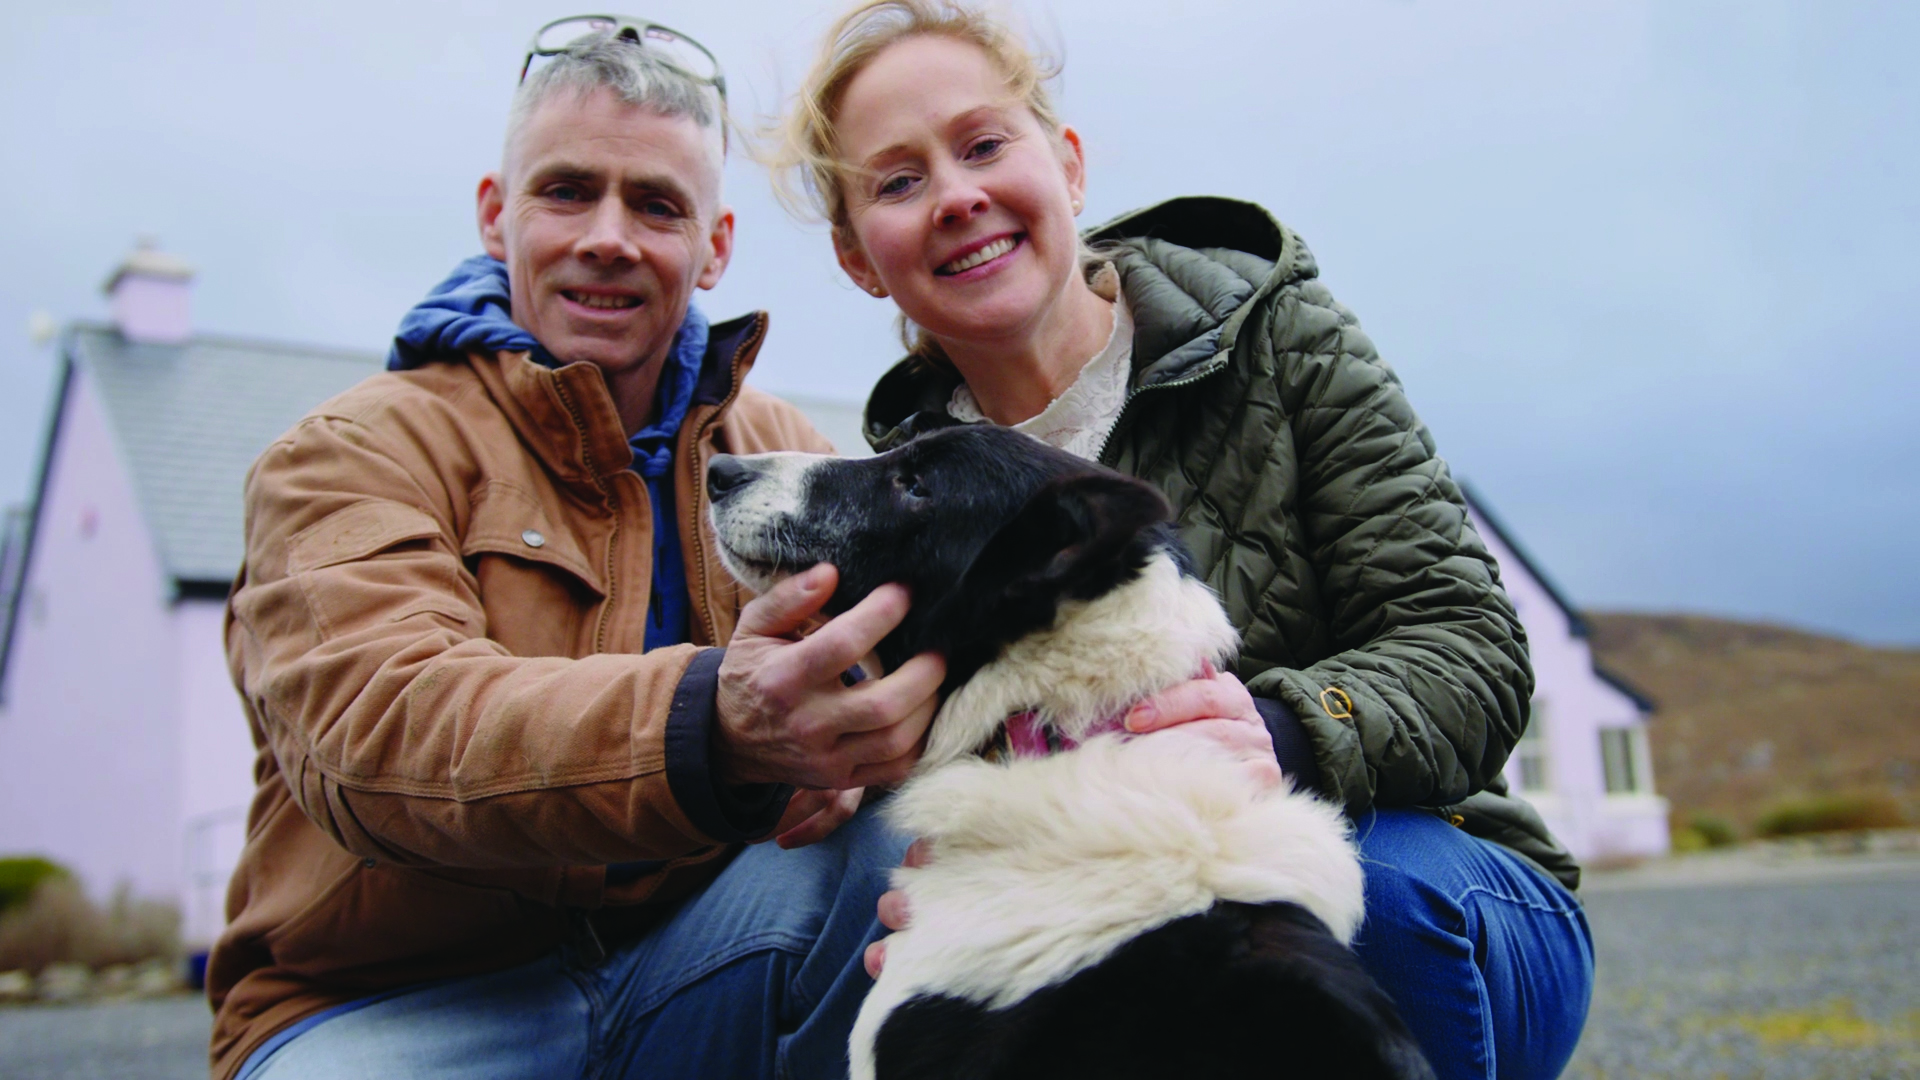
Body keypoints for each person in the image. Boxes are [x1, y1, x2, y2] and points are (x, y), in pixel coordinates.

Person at [771, 2, 1597, 1077]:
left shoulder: (1275, 334)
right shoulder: (892, 495)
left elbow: (1471, 649)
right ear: (856, 257)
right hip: (1105, 926)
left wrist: (1290, 730)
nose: (958, 196)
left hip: (1427, 875)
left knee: (1339, 907)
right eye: (898, 180)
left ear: (1066, 165)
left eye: (983, 145)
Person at [210, 19, 968, 1080]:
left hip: (687, 965)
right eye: (567, 191)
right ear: (495, 214)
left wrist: (856, 755)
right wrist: (717, 724)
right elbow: (375, 733)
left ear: (715, 245)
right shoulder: (347, 454)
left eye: (656, 205)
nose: (608, 237)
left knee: (893, 859)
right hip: (391, 1006)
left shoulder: (785, 452)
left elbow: (895, 684)